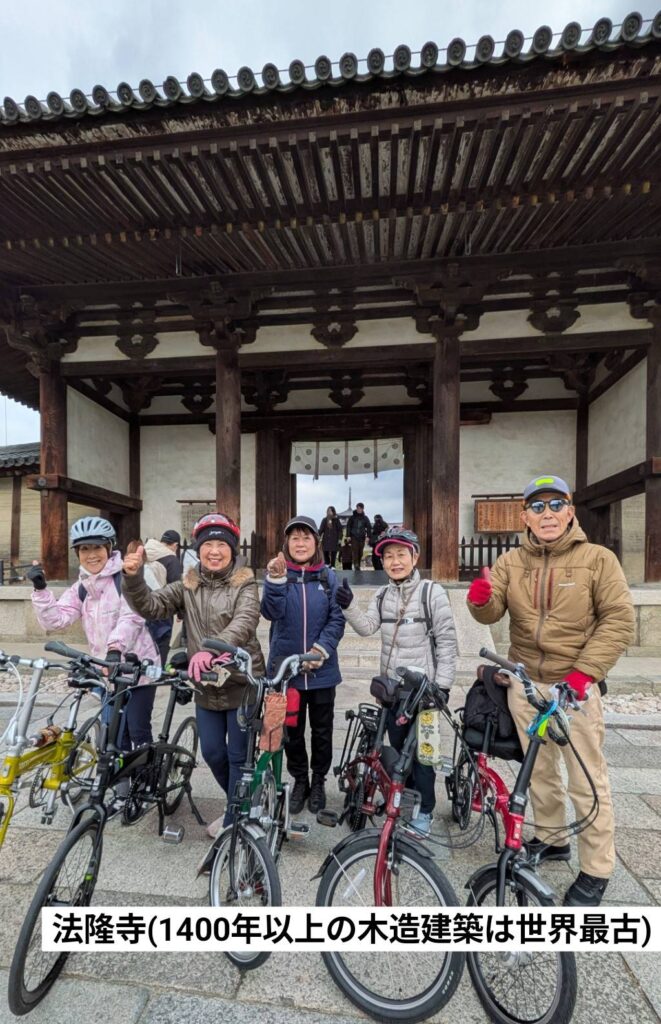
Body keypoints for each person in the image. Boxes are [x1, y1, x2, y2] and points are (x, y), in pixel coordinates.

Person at [466, 474, 635, 906]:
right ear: (524, 516)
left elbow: (619, 620)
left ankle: (597, 868)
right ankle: (552, 837)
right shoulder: (510, 562)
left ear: (570, 512)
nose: (547, 514)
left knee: (585, 778)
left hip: (574, 687)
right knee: (537, 771)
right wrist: (480, 600)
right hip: (526, 683)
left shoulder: (597, 559)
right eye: (537, 507)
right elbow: (492, 611)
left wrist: (584, 674)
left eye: (556, 504)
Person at [122, 512, 265, 838]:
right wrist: (133, 578)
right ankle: (241, 803)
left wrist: (210, 650)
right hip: (206, 684)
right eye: (207, 545)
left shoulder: (245, 583)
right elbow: (151, 606)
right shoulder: (187, 585)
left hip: (242, 681)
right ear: (198, 550)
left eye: (222, 545)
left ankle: (235, 815)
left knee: (238, 755)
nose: (214, 551)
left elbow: (245, 622)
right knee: (213, 752)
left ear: (232, 549)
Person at [336, 526, 457, 834]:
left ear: (415, 557)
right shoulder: (382, 594)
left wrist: (443, 686)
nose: (395, 561)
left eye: (401, 554)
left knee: (423, 754)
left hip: (424, 693)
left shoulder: (432, 593)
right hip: (392, 691)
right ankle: (406, 798)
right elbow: (367, 628)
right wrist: (348, 604)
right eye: (388, 556)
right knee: (399, 748)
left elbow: (447, 641)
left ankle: (424, 811)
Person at [26, 517, 159, 778]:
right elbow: (57, 620)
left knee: (137, 729)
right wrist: (41, 590)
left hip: (138, 668)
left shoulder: (125, 578)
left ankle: (147, 780)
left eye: (97, 547)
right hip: (105, 671)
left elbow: (131, 617)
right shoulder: (82, 586)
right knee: (113, 732)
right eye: (84, 549)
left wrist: (115, 648)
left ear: (109, 548)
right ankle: (121, 783)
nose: (91, 555)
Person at [261, 515, 345, 814]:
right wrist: (274, 581)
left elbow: (337, 618)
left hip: (322, 671)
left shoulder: (328, 577)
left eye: (306, 537)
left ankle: (319, 780)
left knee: (322, 731)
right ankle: (300, 781)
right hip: (288, 673)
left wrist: (320, 650)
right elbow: (271, 613)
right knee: (293, 732)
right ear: (286, 543)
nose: (300, 543)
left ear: (316, 543)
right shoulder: (279, 575)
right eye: (294, 538)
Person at [144, 531, 183, 661]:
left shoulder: (144, 553)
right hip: (162, 609)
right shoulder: (171, 559)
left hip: (142, 606)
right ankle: (158, 669)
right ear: (175, 545)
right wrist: (181, 613)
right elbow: (177, 587)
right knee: (162, 644)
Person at [346, 502, 371, 571]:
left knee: (360, 552)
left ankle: (358, 564)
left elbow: (369, 527)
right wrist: (348, 536)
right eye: (357, 508)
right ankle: (356, 565)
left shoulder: (365, 518)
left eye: (360, 508)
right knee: (355, 551)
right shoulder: (352, 517)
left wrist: (368, 536)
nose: (358, 509)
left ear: (362, 509)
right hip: (354, 536)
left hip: (362, 537)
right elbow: (348, 526)